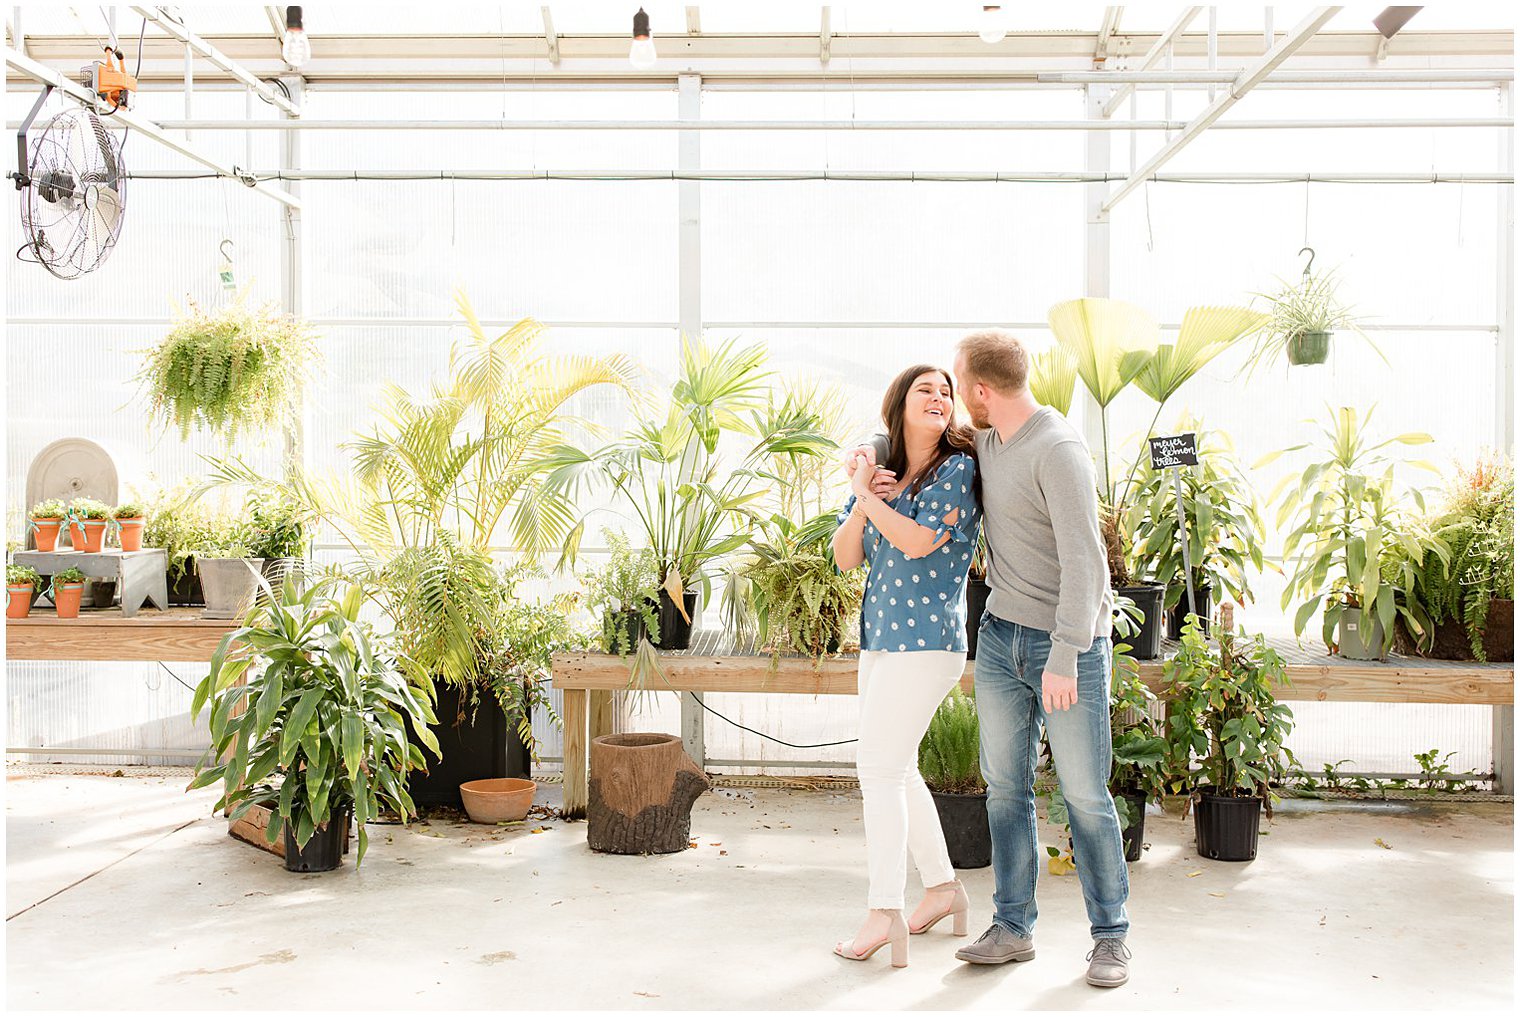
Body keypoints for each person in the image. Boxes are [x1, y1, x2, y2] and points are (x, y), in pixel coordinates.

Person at [850, 330, 1131, 988]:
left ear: (979, 391)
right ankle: (1012, 924)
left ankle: (1111, 936)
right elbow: (908, 436)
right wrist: (866, 451)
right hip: (1002, 636)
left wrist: (1065, 652)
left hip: (1068, 647)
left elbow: (1089, 566)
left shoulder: (1057, 449)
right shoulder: (989, 442)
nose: (949, 396)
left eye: (955, 383)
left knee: (1085, 795)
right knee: (1005, 792)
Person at [829, 364, 984, 969]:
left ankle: (884, 909)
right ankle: (943, 889)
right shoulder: (884, 471)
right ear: (900, 402)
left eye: (947, 392)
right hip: (881, 642)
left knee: (879, 769)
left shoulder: (957, 469)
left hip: (927, 645)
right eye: (927, 389)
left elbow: (919, 542)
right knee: (897, 768)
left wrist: (868, 494)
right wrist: (866, 492)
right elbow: (845, 556)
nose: (941, 398)